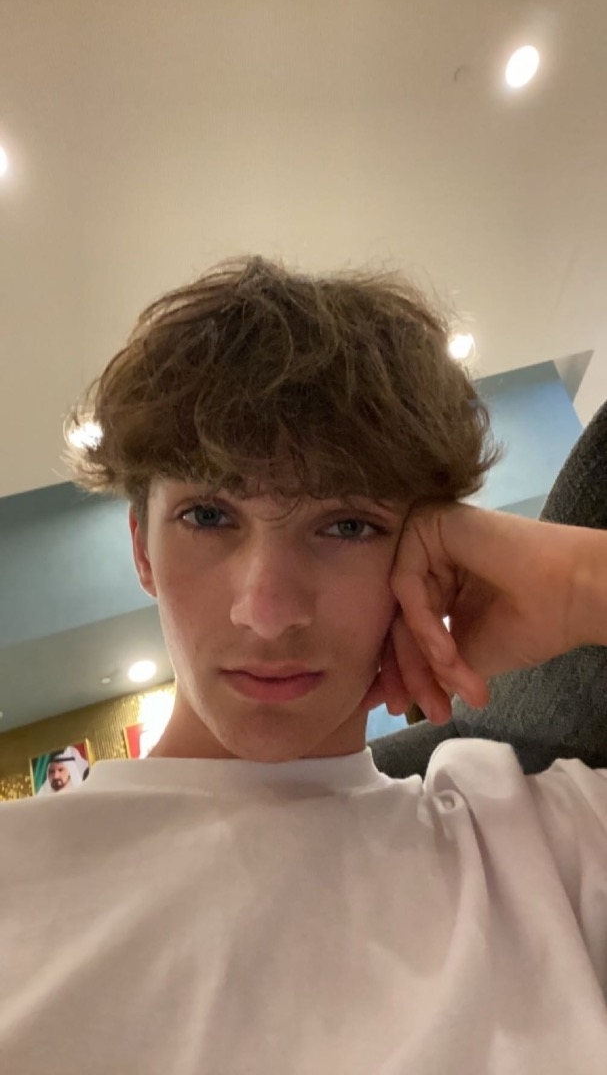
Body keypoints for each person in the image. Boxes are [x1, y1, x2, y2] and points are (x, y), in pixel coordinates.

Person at [1, 256, 606, 1073]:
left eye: (347, 525)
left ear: (424, 549)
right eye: (208, 515)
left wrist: (580, 586)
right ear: (141, 550)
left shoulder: (533, 838)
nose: (267, 610)